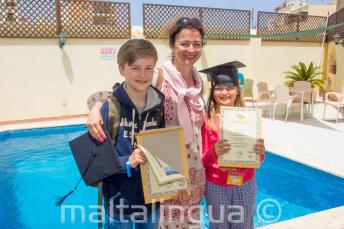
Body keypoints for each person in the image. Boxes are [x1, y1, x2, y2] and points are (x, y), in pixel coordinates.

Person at [87, 17, 207, 228]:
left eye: (197, 44)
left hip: (189, 169)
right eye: (184, 43)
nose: (191, 49)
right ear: (172, 45)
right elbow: (120, 91)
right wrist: (96, 108)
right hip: (158, 174)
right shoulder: (158, 75)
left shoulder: (199, 82)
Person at [98, 39, 165, 229]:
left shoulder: (158, 106)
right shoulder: (109, 109)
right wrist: (128, 161)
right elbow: (99, 161)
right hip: (120, 203)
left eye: (148, 68)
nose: (143, 75)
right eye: (135, 68)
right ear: (122, 69)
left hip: (151, 202)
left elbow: (162, 148)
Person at [201, 64, 265, 229]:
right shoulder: (206, 121)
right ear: (213, 92)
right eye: (219, 88)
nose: (224, 93)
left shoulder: (249, 118)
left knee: (243, 225)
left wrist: (260, 153)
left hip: (245, 183)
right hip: (216, 186)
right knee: (219, 226)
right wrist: (214, 152)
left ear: (237, 90)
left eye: (229, 88)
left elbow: (257, 156)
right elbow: (201, 161)